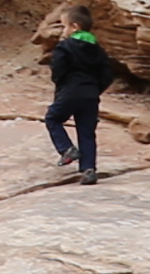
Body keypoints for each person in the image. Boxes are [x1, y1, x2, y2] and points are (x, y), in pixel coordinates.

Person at [39, 17, 119, 182]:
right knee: (87, 132)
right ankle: (89, 170)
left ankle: (67, 149)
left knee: (53, 118)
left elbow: (58, 69)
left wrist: (61, 84)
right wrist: (95, 89)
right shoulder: (98, 50)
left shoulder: (65, 47)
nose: (63, 31)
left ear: (75, 27)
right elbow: (107, 74)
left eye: (65, 26)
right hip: (90, 95)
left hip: (70, 92)